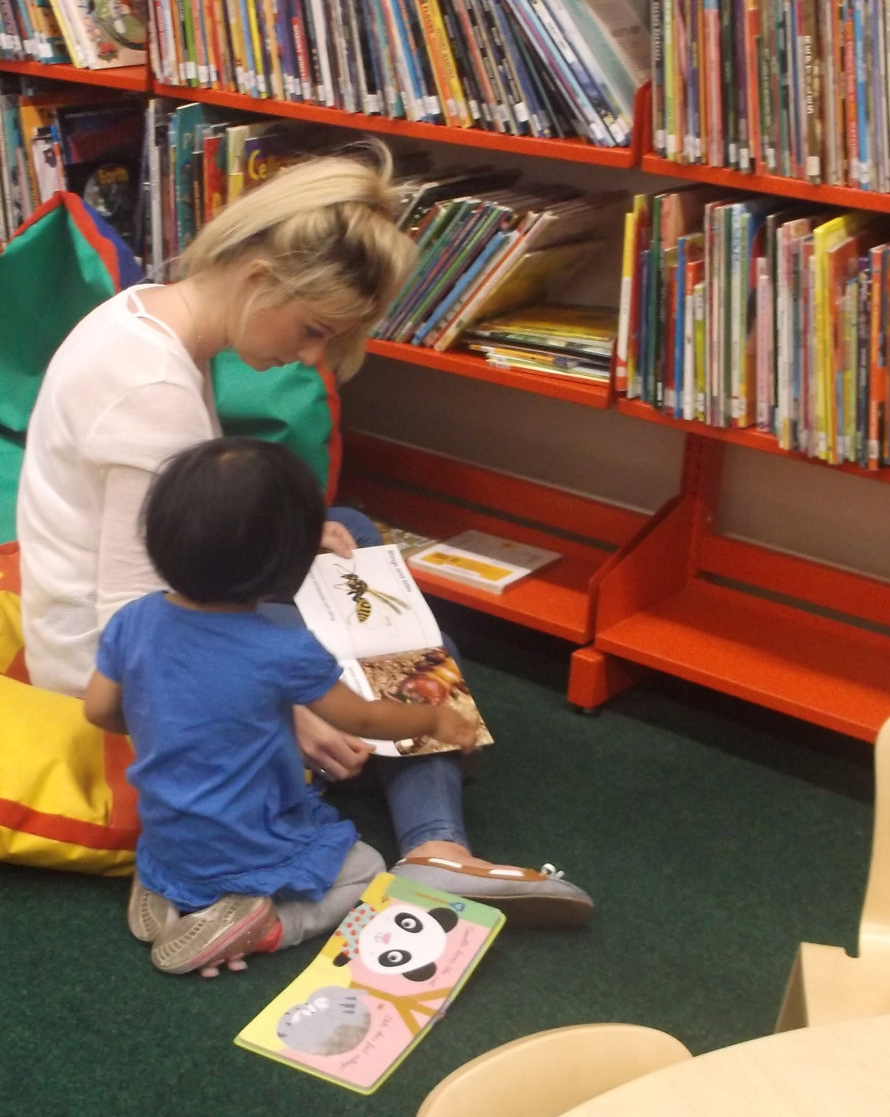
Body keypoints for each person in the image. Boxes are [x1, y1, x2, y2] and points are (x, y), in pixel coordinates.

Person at [16, 145, 593, 926]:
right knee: (367, 614)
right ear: (258, 278)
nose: (312, 357)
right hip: (106, 662)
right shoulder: (152, 391)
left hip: (117, 617)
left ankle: (427, 827)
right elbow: (143, 618)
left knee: (349, 534)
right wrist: (288, 709)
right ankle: (434, 842)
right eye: (315, 329)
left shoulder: (147, 316)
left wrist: (292, 542)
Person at [84, 438, 480, 977]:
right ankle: (270, 927)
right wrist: (433, 717)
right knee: (364, 869)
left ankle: (161, 884)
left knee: (190, 836)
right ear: (285, 562)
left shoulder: (132, 620)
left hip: (166, 834)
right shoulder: (284, 649)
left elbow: (99, 710)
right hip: (253, 844)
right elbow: (366, 719)